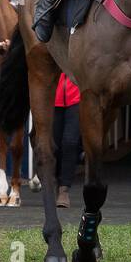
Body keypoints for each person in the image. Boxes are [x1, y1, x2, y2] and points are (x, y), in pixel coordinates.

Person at [53, 70, 81, 208]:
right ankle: (56, 182)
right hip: (53, 98)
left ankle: (64, 189)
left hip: (76, 98)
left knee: (70, 142)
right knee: (54, 144)